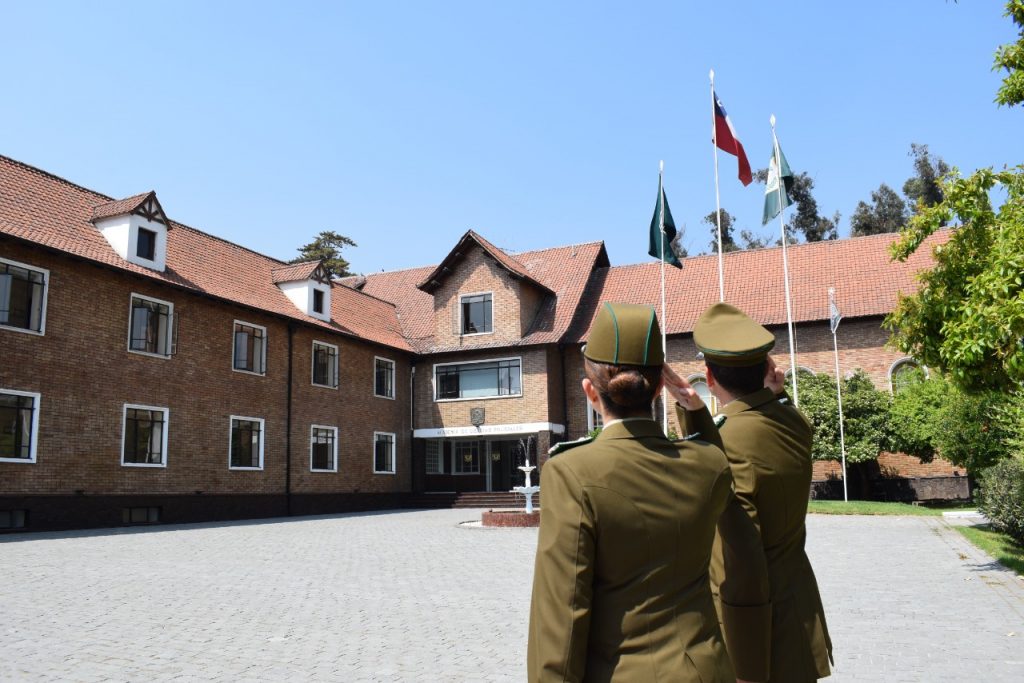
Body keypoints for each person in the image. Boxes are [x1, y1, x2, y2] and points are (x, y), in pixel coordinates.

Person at [527, 302, 771, 683]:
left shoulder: (570, 473)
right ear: (660, 388)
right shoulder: (708, 465)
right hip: (707, 670)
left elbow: (562, 614)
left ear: (590, 392)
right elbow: (746, 559)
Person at [664, 302, 834, 683]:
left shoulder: (727, 443)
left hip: (756, 636)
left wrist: (746, 665)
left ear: (708, 376)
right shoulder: (794, 423)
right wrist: (696, 411)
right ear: (767, 370)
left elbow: (739, 561)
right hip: (796, 615)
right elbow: (760, 421)